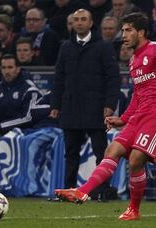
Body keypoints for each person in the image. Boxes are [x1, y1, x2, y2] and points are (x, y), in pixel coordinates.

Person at [54, 12, 156, 220]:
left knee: (136, 160)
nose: (123, 35)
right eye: (123, 30)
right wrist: (123, 119)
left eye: (128, 30)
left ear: (141, 32)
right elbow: (137, 95)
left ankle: (134, 209)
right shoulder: (134, 61)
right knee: (112, 149)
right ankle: (82, 191)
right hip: (140, 115)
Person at [50, 9, 121, 200]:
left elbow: (113, 77)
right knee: (70, 154)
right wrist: (55, 105)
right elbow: (59, 78)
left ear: (91, 23)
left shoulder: (104, 47)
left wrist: (110, 103)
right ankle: (68, 191)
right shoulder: (66, 47)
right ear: (72, 24)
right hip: (71, 107)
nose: (79, 23)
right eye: (76, 20)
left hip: (95, 107)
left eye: (83, 20)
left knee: (101, 152)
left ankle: (102, 191)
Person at [0, 54, 43, 139]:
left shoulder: (30, 89)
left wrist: (2, 126)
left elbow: (28, 117)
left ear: (18, 69)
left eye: (10, 67)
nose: (7, 71)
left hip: (25, 134)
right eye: (4, 68)